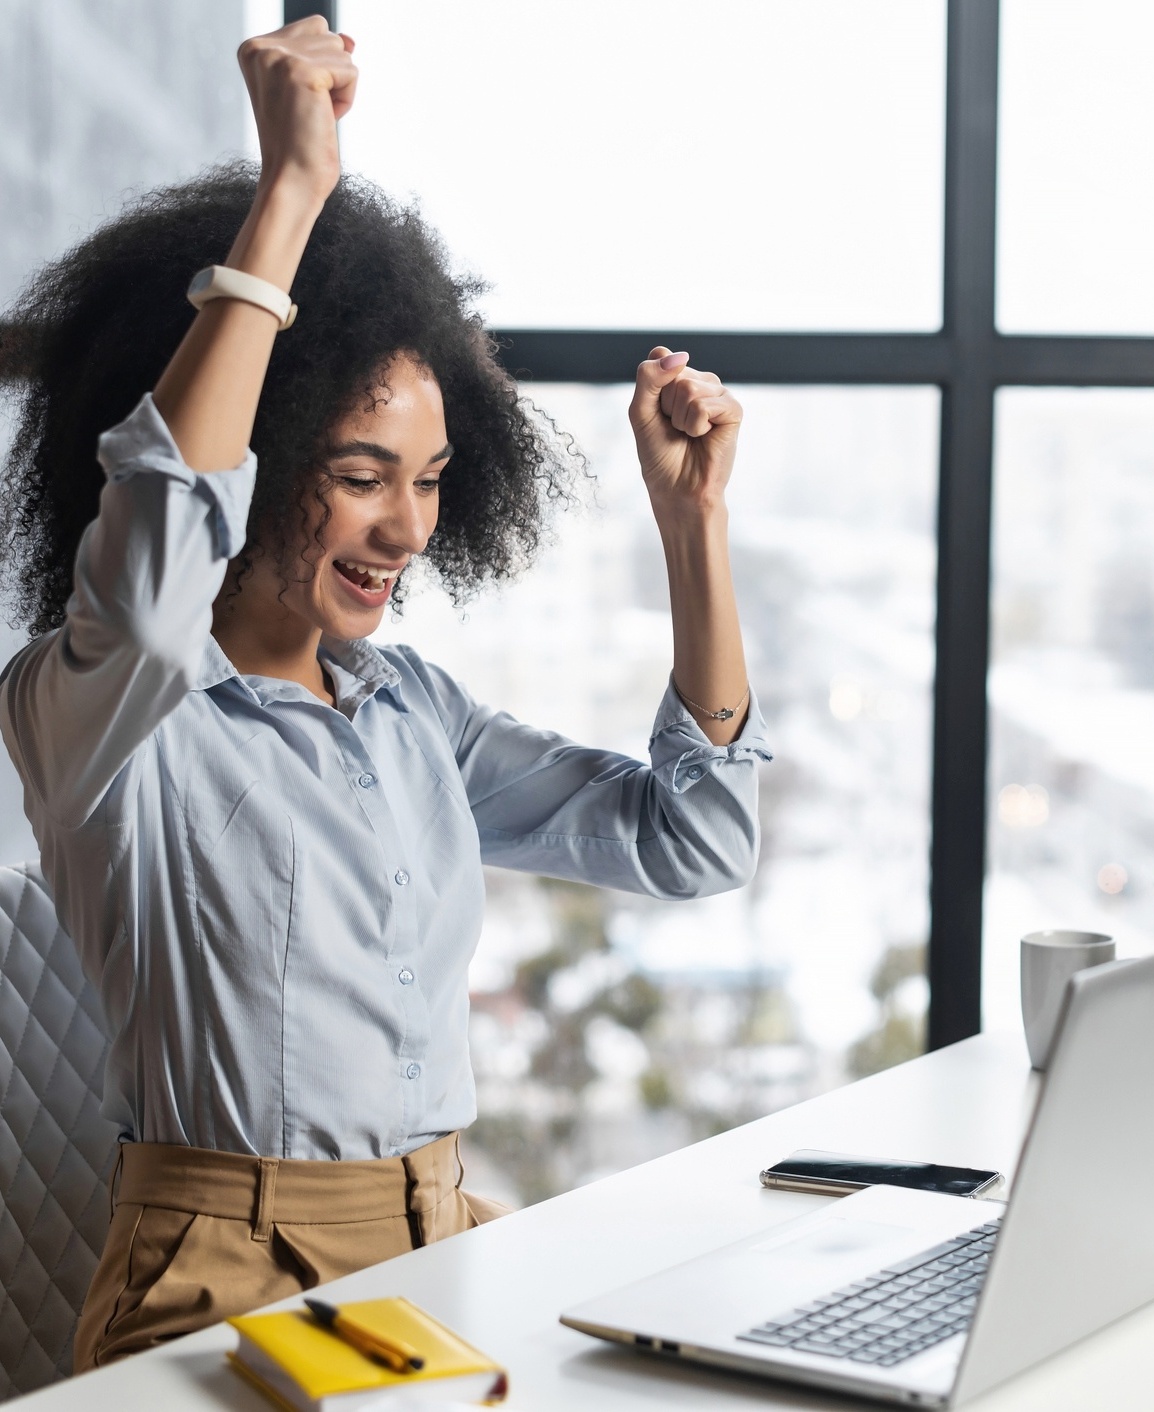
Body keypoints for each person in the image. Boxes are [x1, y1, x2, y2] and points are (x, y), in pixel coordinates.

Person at [0, 17, 768, 1369]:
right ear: (267, 451)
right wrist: (288, 197)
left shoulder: (416, 715)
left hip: (446, 1249)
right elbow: (164, 519)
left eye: (427, 481)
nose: (408, 531)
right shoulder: (110, 710)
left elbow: (691, 839)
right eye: (359, 475)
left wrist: (692, 526)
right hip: (217, 1286)